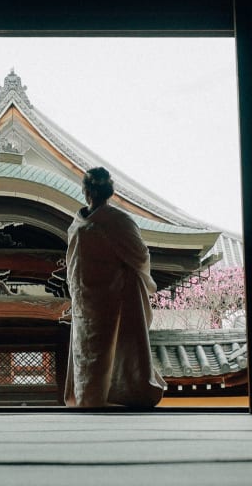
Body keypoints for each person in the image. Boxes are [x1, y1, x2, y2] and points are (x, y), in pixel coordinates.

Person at [63, 166, 166, 408]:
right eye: (92, 189)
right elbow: (140, 256)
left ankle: (105, 396)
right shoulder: (92, 222)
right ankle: (90, 397)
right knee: (90, 351)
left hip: (113, 296)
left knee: (111, 350)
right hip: (87, 299)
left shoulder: (112, 221)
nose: (92, 193)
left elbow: (138, 255)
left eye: (94, 189)